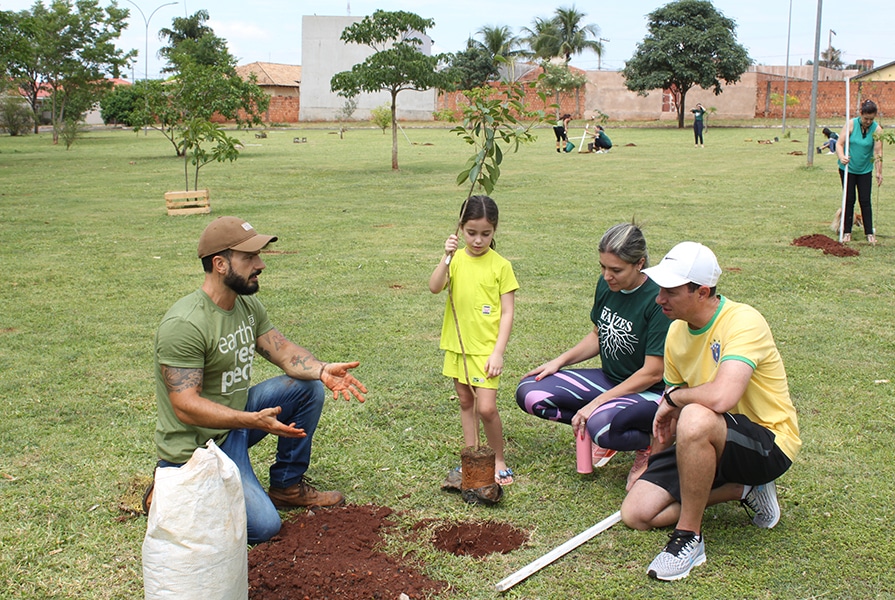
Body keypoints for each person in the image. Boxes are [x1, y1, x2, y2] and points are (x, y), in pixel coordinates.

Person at [149, 216, 368, 544]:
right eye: (250, 258)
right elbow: (185, 406)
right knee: (264, 527)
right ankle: (173, 489)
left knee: (306, 388)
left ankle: (287, 486)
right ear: (220, 264)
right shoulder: (185, 324)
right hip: (198, 447)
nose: (261, 264)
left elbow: (281, 351)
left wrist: (321, 370)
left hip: (236, 423)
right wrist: (251, 420)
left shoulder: (245, 304)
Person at [621, 242, 800, 581]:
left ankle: (689, 538)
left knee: (696, 414)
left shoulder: (744, 321)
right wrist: (650, 464)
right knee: (637, 514)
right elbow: (668, 420)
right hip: (704, 438)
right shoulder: (675, 332)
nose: (660, 299)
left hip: (768, 443)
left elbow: (719, 397)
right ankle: (743, 490)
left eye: (670, 292)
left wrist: (674, 401)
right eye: (660, 290)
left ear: (702, 292)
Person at [516, 223, 670, 490]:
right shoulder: (607, 285)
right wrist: (559, 361)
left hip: (650, 391)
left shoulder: (658, 299)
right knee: (531, 393)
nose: (607, 276)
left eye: (616, 270)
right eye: (603, 267)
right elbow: (598, 335)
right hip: (610, 379)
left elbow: (653, 373)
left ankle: (647, 443)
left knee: (600, 427)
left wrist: (595, 404)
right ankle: (610, 422)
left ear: (639, 264)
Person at [429, 196, 519, 485]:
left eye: (485, 234)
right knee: (466, 401)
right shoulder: (454, 260)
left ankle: (498, 457)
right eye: (471, 233)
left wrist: (498, 352)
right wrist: (446, 256)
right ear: (460, 229)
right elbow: (434, 287)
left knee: (486, 408)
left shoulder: (501, 266)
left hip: (486, 350)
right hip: (458, 346)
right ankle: (471, 457)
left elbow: (507, 312)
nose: (478, 240)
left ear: (494, 231)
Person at [836, 99, 884, 244]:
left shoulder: (877, 130)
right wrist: (842, 156)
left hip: (865, 170)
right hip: (847, 169)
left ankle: (869, 233)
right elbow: (839, 143)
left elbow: (878, 152)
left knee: (865, 200)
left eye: (871, 119)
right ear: (860, 114)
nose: (868, 122)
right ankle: (846, 232)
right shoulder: (850, 124)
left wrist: (878, 172)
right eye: (865, 118)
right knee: (849, 199)